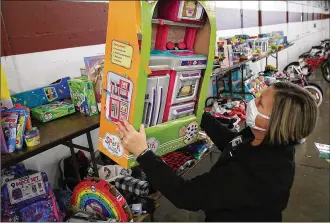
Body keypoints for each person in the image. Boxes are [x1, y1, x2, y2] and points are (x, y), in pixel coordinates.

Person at [116, 82, 318, 222]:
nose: (252, 102)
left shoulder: (258, 173)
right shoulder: (262, 137)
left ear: (276, 123)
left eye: (259, 103)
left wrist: (143, 153)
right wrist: (201, 117)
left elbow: (185, 195)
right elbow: (233, 143)